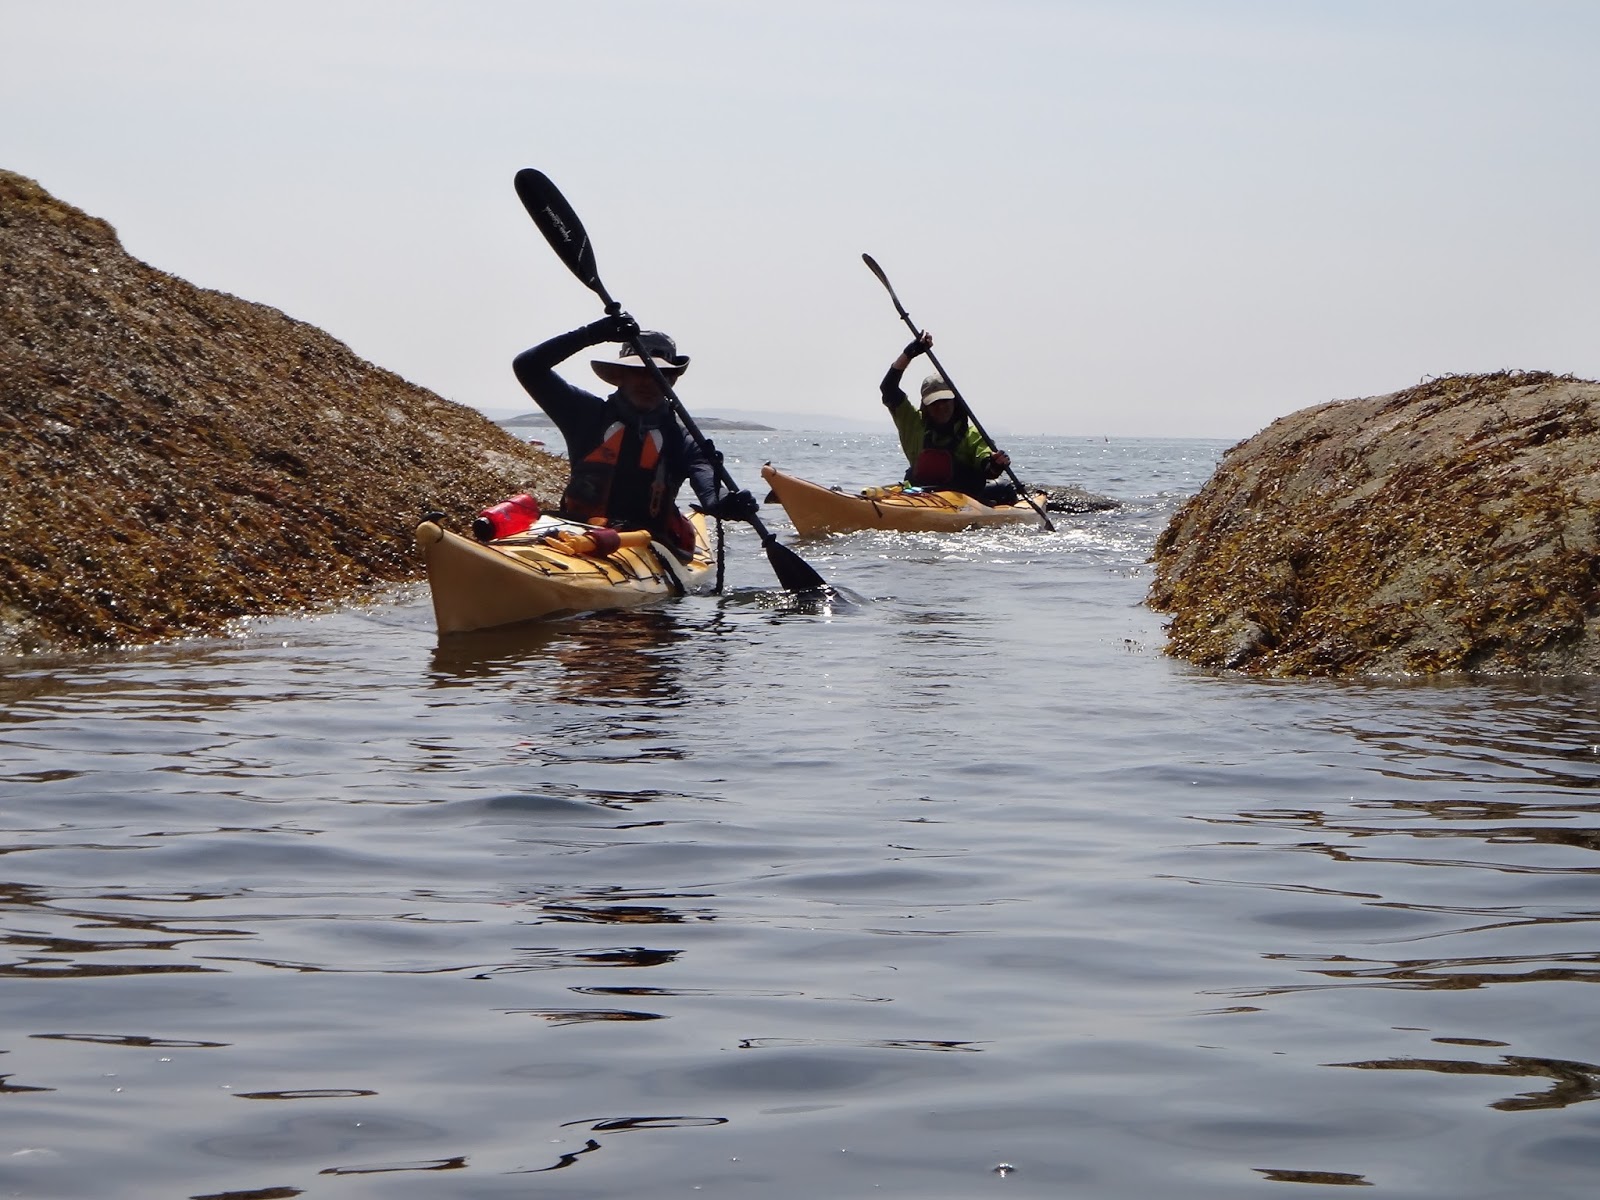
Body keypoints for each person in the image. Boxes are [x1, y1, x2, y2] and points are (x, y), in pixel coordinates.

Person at [512, 313, 759, 557]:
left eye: (657, 374)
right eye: (638, 371)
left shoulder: (684, 440)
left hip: (645, 546)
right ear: (620, 375)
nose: (647, 382)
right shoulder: (585, 415)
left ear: (671, 380)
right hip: (574, 534)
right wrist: (589, 334)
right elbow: (527, 367)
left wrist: (724, 503)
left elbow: (709, 489)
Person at [879, 331, 1017, 506]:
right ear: (925, 406)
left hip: (963, 501)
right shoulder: (913, 423)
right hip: (920, 496)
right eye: (934, 403)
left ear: (955, 401)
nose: (941, 407)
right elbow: (888, 389)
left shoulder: (972, 435)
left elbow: (987, 468)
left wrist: (996, 464)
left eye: (945, 400)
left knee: (1005, 489)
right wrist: (909, 353)